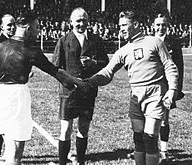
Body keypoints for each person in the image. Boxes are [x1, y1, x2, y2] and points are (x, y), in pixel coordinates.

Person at [75, 10, 179, 165]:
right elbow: (107, 72)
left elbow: (170, 67)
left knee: (150, 138)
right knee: (138, 138)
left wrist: (172, 90)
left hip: (155, 93)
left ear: (135, 24)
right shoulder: (123, 51)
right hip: (136, 95)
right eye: (119, 26)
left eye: (124, 25)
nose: (121, 29)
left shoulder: (155, 42)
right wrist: (89, 81)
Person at [0, 11, 78, 165]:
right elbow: (54, 71)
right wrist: (76, 83)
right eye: (37, 27)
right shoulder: (30, 49)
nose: (39, 31)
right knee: (16, 155)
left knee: (9, 150)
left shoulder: (0, 47)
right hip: (16, 97)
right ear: (28, 28)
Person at [52, 7, 109, 165]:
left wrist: (94, 63)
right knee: (66, 129)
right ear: (71, 22)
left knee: (84, 127)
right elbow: (55, 67)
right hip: (69, 91)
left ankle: (81, 160)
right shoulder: (63, 41)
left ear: (88, 21)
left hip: (88, 90)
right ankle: (63, 162)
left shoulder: (95, 40)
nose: (81, 23)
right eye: (78, 20)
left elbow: (105, 63)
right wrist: (70, 80)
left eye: (84, 20)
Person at [153, 13, 184, 161]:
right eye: (158, 24)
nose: (160, 27)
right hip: (151, 86)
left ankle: (164, 150)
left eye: (163, 25)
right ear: (153, 26)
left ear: (167, 26)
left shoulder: (174, 43)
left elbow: (180, 67)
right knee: (148, 118)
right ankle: (149, 149)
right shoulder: (148, 41)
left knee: (164, 119)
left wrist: (176, 90)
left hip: (166, 86)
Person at [0, 14, 16, 164]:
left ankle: (8, 153)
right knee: (2, 121)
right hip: (2, 87)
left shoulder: (15, 42)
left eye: (14, 24)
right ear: (2, 27)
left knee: (11, 120)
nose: (12, 27)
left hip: (13, 87)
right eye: (9, 25)